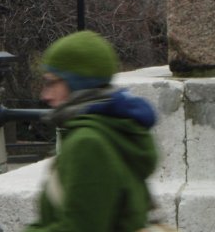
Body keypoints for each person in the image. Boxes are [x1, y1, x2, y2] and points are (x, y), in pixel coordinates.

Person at [25, 30, 158, 232]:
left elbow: (80, 228)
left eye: (51, 82)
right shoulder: (112, 128)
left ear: (76, 84)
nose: (45, 95)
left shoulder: (87, 142)